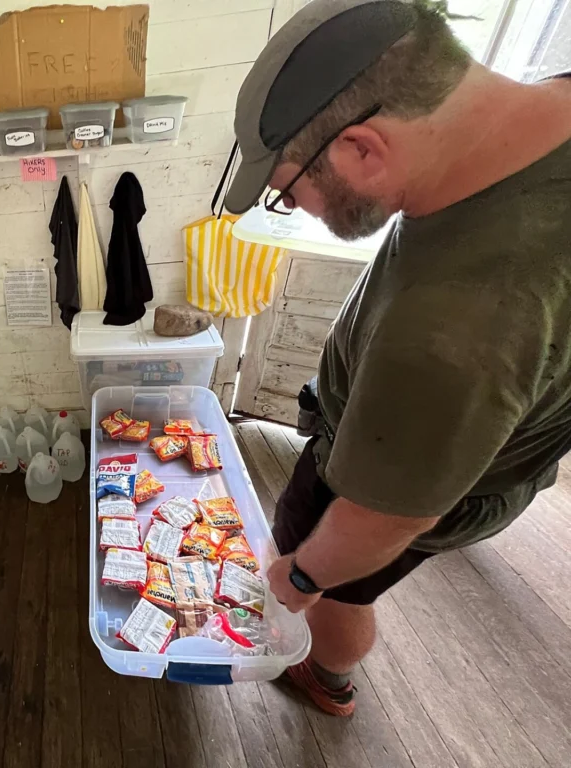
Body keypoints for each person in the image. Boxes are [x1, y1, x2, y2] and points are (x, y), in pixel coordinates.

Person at [224, 0, 571, 716]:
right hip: (460, 449)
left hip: (390, 480)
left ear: (360, 150)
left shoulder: (453, 329)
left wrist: (295, 579)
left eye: (289, 193)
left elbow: (382, 520)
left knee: (338, 584)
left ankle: (327, 674)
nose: (301, 209)